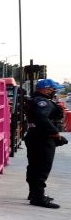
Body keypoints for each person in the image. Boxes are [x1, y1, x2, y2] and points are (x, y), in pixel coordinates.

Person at [24, 78, 68, 208]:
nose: (54, 91)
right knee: (41, 168)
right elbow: (42, 118)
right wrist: (55, 133)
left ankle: (34, 193)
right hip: (42, 138)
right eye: (52, 89)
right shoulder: (43, 102)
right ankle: (38, 198)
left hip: (35, 136)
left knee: (34, 167)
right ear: (44, 89)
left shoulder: (35, 100)